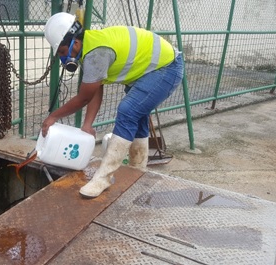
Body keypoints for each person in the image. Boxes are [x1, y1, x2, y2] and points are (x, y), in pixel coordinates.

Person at [42, 12, 184, 198]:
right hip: (153, 70)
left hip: (167, 68)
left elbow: (83, 97)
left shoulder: (96, 54)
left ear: (74, 43)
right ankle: (137, 170)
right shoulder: (90, 47)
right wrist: (87, 124)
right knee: (137, 115)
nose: (62, 58)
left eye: (62, 52)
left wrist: (53, 116)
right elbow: (95, 89)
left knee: (127, 110)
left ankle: (103, 178)